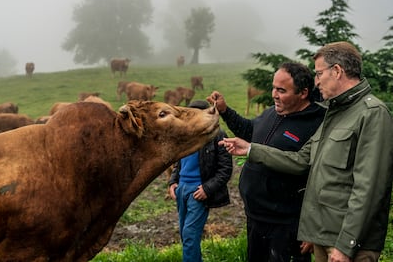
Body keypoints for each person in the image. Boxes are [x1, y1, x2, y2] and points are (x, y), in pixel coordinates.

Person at [220, 41, 393, 262]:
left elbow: (369, 189)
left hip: (345, 246)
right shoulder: (335, 112)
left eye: (319, 73)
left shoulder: (372, 114)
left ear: (337, 71)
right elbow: (302, 160)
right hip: (324, 237)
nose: (316, 81)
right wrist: (251, 149)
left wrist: (346, 245)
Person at [207, 62, 326, 262]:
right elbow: (250, 131)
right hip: (256, 218)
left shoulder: (317, 123)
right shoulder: (273, 112)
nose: (274, 94)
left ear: (303, 93)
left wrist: (313, 230)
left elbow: (321, 180)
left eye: (281, 90)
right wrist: (225, 110)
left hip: (287, 226)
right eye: (273, 87)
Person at [168, 100, 233, 262]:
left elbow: (225, 169)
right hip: (181, 189)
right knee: (186, 235)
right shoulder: (185, 136)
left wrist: (207, 189)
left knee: (190, 235)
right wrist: (173, 182)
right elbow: (178, 163)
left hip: (198, 192)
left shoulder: (218, 136)